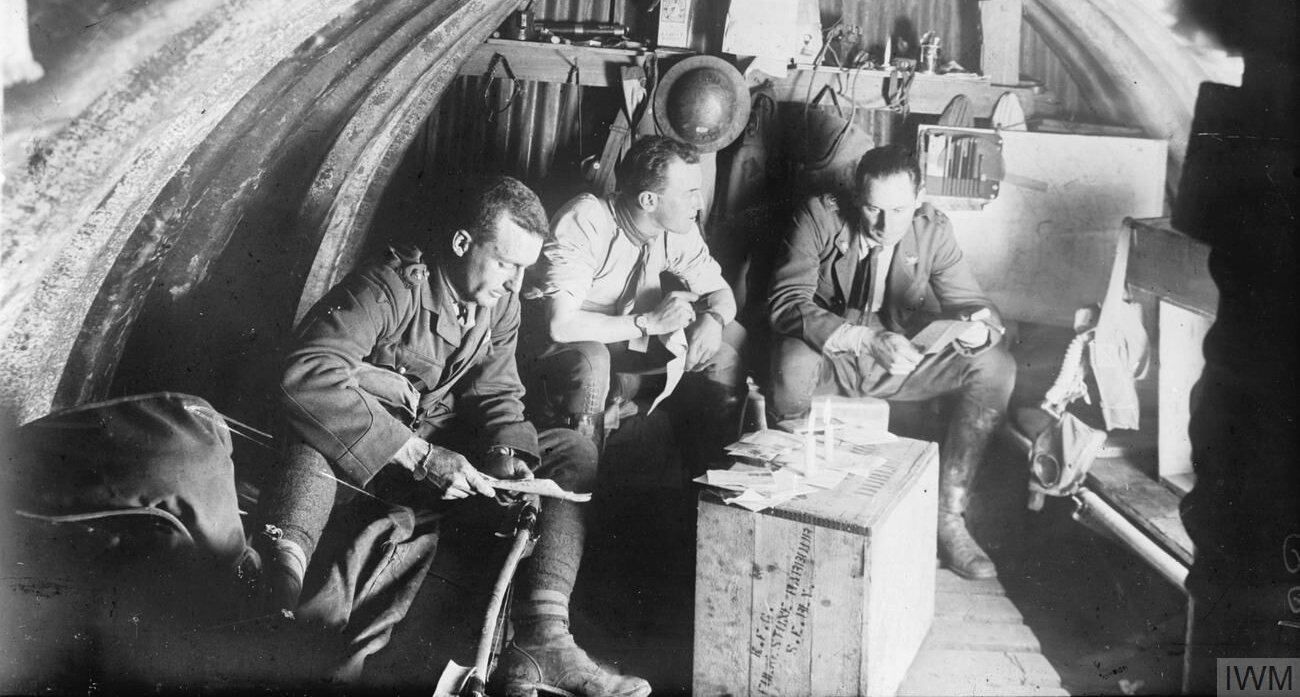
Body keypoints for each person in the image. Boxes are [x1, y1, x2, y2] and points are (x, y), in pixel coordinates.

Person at [255, 175, 650, 696]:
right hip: (372, 450)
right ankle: (278, 587)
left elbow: (497, 391)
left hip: (441, 445)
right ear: (463, 243)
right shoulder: (390, 286)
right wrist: (420, 457)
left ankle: (543, 639)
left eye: (525, 269)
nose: (516, 283)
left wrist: (507, 454)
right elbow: (306, 373)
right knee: (313, 436)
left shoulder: (499, 303)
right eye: (506, 264)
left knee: (571, 450)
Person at [768, 144, 1016, 580]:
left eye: (899, 210)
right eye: (873, 209)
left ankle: (948, 517)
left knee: (996, 367)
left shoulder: (933, 230)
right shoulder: (819, 215)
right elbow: (787, 303)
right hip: (831, 356)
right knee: (792, 365)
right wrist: (864, 339)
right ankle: (794, 512)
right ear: (855, 197)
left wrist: (977, 327)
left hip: (896, 361)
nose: (886, 225)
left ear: (919, 197)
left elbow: (974, 303)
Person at [523, 136, 747, 468]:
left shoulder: (676, 228)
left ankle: (715, 479)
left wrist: (714, 319)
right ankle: (582, 476)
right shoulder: (586, 219)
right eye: (689, 193)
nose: (699, 203)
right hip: (561, 350)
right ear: (648, 200)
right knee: (594, 358)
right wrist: (649, 323)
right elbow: (561, 325)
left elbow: (720, 292)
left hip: (624, 343)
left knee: (730, 339)